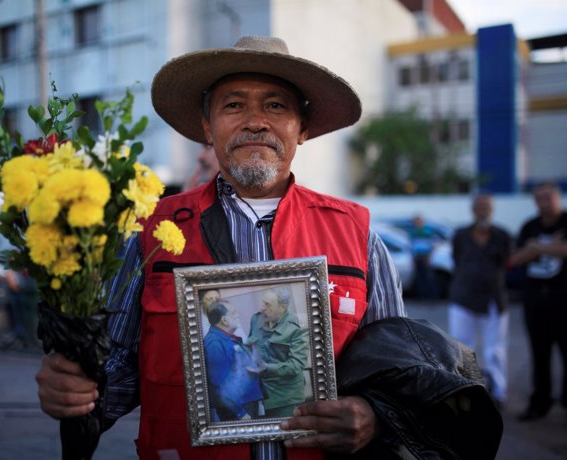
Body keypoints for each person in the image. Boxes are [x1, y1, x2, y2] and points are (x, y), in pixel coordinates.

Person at [36, 36, 502, 459]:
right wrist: (77, 392)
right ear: (207, 126)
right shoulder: (151, 235)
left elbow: (401, 374)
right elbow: (117, 373)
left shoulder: (360, 239)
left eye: (276, 106)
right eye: (234, 105)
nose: (256, 121)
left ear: (301, 128)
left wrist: (373, 413)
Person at [447, 193, 512, 409]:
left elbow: (506, 263)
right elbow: (456, 260)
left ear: (491, 210)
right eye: (479, 207)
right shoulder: (461, 235)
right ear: (473, 210)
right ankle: (467, 390)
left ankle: (499, 392)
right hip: (463, 298)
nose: (482, 211)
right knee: (462, 347)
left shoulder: (502, 235)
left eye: (487, 207)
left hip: (493, 300)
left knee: (495, 350)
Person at [511, 181, 567, 421]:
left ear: (558, 197)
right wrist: (551, 247)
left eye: (548, 197)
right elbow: (515, 259)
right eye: (539, 198)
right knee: (539, 353)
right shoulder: (529, 226)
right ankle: (540, 402)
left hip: (564, 300)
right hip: (535, 301)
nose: (543, 202)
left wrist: (538, 247)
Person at [246, 287, 308, 418]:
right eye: (263, 302)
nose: (262, 308)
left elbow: (296, 365)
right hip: (259, 395)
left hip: (285, 398)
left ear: (282, 307)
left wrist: (266, 368)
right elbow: (251, 345)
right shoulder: (256, 319)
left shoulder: (296, 328)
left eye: (267, 304)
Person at [204, 300, 263, 421]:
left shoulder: (224, 338)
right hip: (239, 409)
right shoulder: (214, 343)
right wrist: (240, 413)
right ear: (224, 320)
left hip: (246, 402)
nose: (238, 315)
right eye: (234, 313)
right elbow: (220, 384)